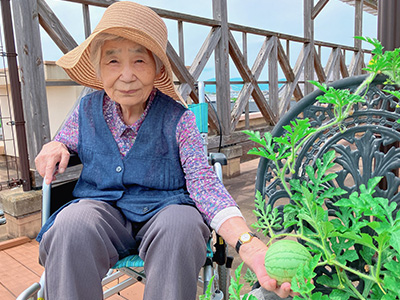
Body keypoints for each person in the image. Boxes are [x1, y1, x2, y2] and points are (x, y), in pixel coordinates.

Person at [35, 2, 295, 299]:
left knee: (182, 226)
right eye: (113, 62)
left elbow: (205, 185)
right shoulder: (86, 109)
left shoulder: (179, 119)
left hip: (165, 212)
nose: (127, 75)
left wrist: (248, 244)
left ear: (158, 68)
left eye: (139, 61)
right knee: (71, 225)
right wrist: (56, 144)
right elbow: (63, 142)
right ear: (98, 69)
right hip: (101, 214)